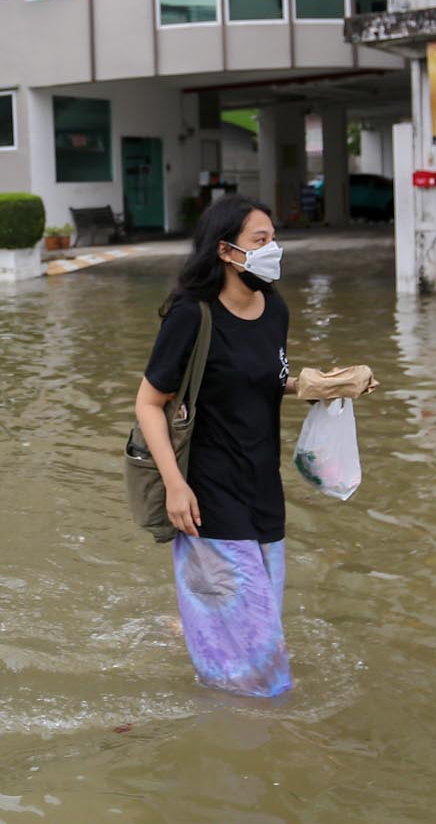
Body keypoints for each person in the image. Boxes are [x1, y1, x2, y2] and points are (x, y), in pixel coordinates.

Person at [133, 194, 373, 698]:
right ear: (225, 251)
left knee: (258, 617)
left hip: (264, 488)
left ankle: (202, 643)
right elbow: (149, 404)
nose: (273, 249)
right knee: (260, 663)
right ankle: (256, 728)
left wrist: (326, 385)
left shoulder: (274, 309)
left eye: (274, 239)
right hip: (207, 494)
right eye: (260, 241)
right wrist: (176, 487)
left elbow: (266, 379)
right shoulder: (191, 317)